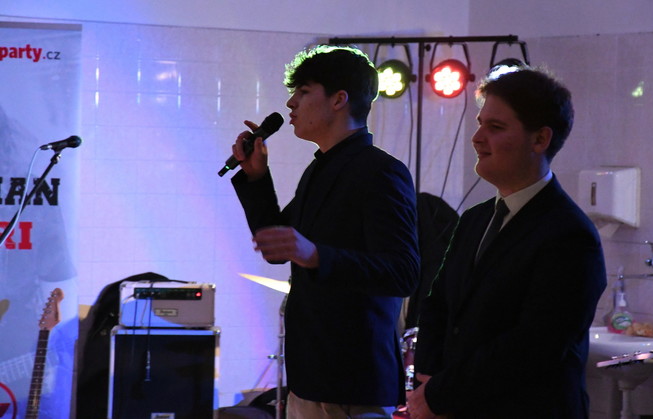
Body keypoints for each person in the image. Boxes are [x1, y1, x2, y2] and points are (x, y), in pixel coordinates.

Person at [230, 45, 420, 418]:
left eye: (303, 92)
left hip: (352, 384)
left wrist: (317, 255)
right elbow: (278, 247)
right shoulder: (320, 169)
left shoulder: (381, 171)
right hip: (310, 379)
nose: (291, 103)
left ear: (338, 99)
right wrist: (256, 178)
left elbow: (403, 272)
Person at [409, 68, 607, 418]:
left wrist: (441, 393)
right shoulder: (475, 218)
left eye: (495, 127)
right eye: (480, 124)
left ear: (540, 139)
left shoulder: (569, 235)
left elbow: (532, 347)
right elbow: (438, 303)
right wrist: (428, 378)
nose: (477, 138)